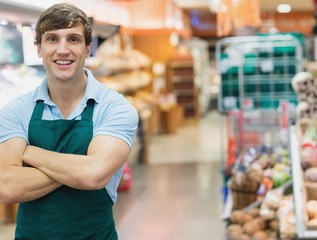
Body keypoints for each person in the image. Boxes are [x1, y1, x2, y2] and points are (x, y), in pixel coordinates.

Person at [0, 3, 138, 239]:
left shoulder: (115, 108)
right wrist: (82, 166)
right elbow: (7, 187)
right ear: (39, 49)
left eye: (73, 39)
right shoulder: (15, 110)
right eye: (52, 39)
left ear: (87, 48)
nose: (62, 50)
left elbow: (93, 175)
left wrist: (30, 153)